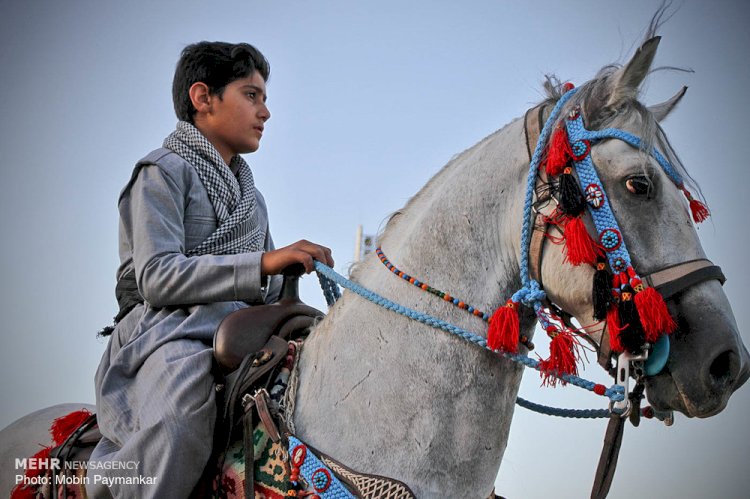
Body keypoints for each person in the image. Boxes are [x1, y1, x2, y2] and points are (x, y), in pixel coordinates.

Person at [87, 41, 333, 498]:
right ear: (203, 98)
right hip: (166, 332)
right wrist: (263, 263)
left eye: (264, 98)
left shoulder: (251, 198)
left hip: (238, 329)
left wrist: (295, 280)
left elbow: (269, 288)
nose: (266, 112)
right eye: (251, 95)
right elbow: (158, 277)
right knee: (180, 420)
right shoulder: (161, 172)